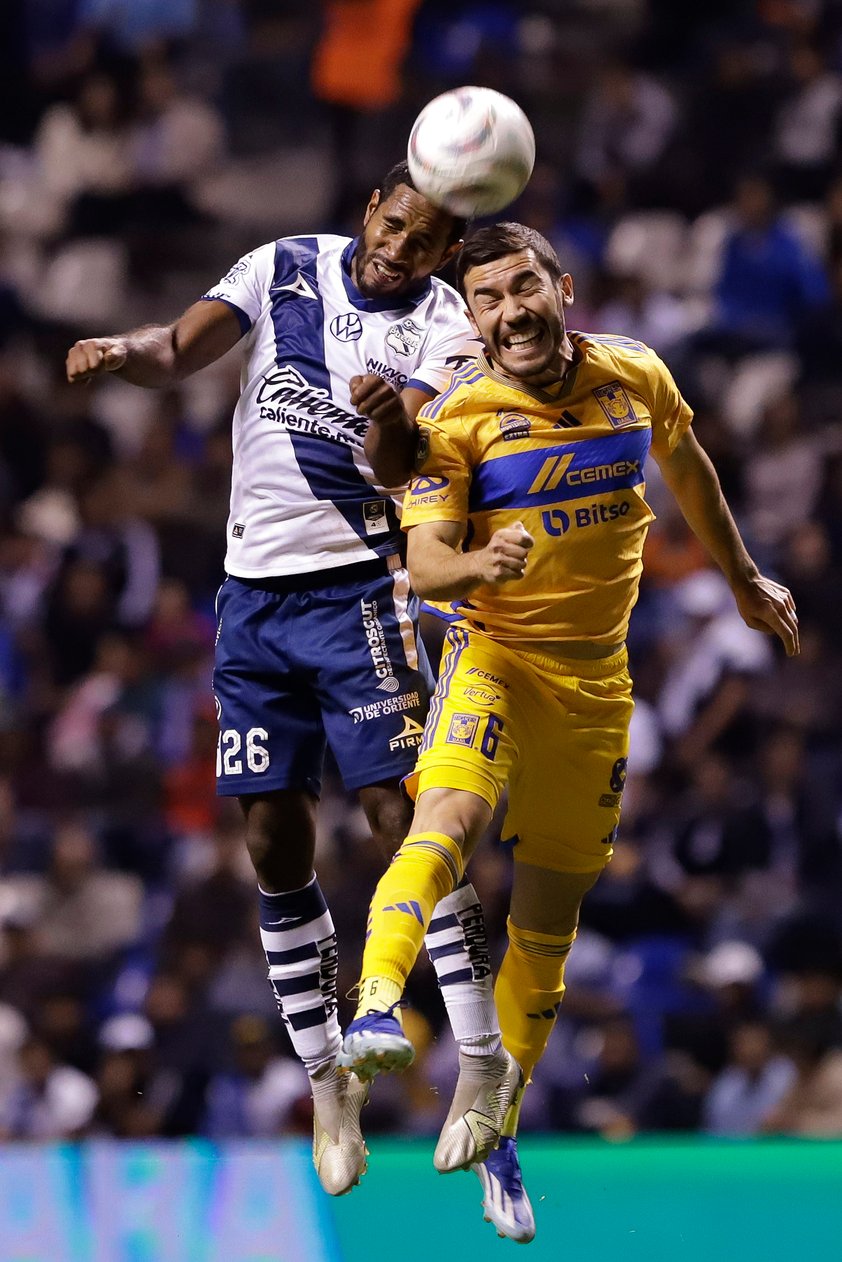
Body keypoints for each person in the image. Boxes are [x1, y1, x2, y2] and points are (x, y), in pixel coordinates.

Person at [339, 221, 799, 1242]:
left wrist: (740, 578)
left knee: (546, 920)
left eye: (522, 288)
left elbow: (688, 466)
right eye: (487, 299)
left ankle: (496, 1123)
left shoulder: (633, 373)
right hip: (495, 661)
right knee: (445, 823)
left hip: (594, 689)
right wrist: (479, 565)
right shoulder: (457, 420)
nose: (508, 312)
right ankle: (372, 1004)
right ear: (471, 320)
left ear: (562, 288)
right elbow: (423, 565)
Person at [64, 161, 505, 1196]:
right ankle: (324, 1081)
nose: (401, 247)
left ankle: (478, 1056)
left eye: (427, 239)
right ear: (370, 209)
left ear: (447, 253)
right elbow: (176, 349)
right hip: (250, 597)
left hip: (359, 589)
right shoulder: (284, 265)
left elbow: (405, 472)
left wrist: (385, 416)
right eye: (394, 224)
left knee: (400, 817)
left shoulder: (445, 326)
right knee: (268, 835)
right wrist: (119, 350)